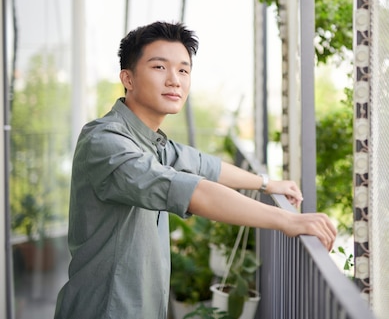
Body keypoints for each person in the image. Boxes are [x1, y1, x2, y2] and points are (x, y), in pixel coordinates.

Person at [54, 21, 337, 319]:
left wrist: (267, 183)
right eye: (159, 67)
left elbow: (204, 165)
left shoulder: (152, 142)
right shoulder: (106, 142)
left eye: (184, 70)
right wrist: (287, 221)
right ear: (128, 78)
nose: (175, 80)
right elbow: (192, 191)